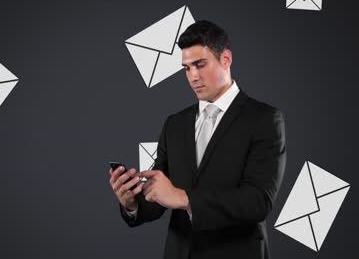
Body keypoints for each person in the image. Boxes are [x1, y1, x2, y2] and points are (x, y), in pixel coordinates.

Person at [109, 20, 286, 259]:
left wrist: (183, 198)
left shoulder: (264, 119)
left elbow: (258, 201)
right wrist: (132, 203)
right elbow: (161, 197)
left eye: (200, 65)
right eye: (186, 68)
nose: (193, 76)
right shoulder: (175, 124)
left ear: (226, 59)